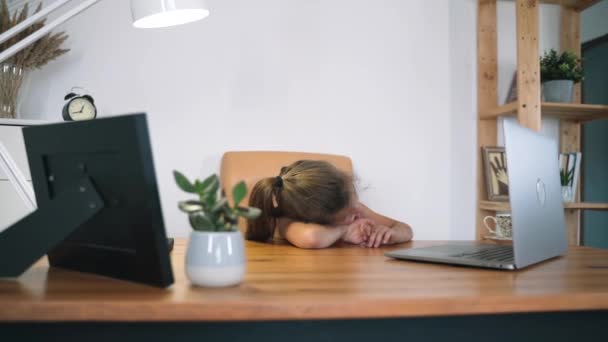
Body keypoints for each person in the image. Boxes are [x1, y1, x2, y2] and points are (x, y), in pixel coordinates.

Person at [246, 160, 413, 249]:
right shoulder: (285, 219)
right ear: (319, 219)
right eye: (350, 214)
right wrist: (344, 231)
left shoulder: (355, 208)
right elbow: (312, 238)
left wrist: (392, 234)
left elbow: (405, 228)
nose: (358, 211)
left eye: (354, 198)